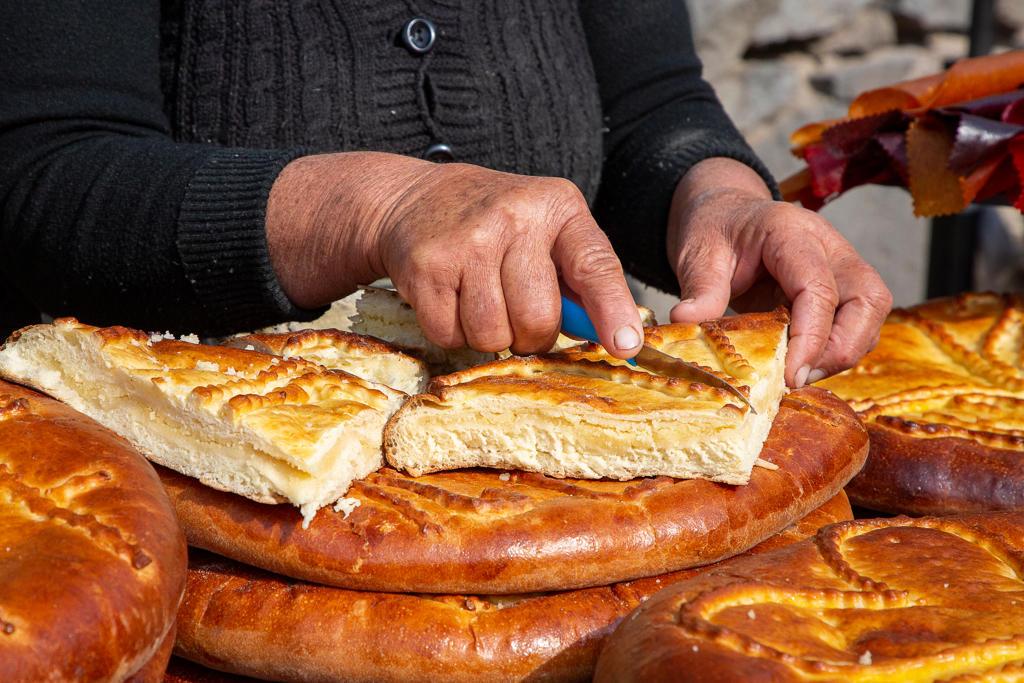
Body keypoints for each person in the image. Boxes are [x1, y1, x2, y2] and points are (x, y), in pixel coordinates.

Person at [0, 0, 891, 389]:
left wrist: (722, 201)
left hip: (539, 453)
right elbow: (45, 174)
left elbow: (650, 104)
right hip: (171, 490)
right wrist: (377, 206)